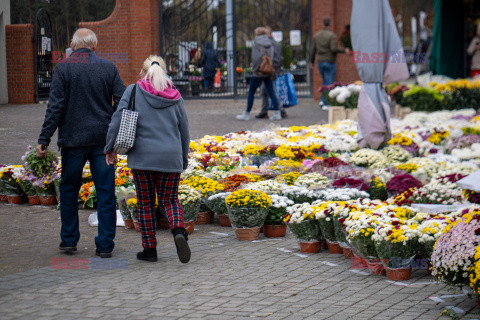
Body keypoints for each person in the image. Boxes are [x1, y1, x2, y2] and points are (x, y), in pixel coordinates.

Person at [36, 28, 126, 258]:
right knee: (106, 193)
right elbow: (123, 100)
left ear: (73, 46)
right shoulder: (108, 67)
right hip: (102, 141)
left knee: (68, 191)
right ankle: (105, 245)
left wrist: (44, 138)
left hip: (73, 141)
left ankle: (69, 240)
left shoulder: (63, 68)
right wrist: (110, 122)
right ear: (95, 45)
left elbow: (54, 107)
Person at [104, 55, 191, 264]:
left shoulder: (133, 91)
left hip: (142, 159)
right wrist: (183, 158)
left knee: (145, 203)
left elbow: (117, 119)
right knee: (170, 200)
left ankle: (150, 249)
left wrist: (109, 148)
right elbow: (184, 130)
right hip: (170, 158)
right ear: (165, 72)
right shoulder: (175, 96)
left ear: (143, 72)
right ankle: (178, 231)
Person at [236, 27, 281, 121]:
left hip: (258, 72)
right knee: (271, 92)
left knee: (251, 92)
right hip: (267, 72)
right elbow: (273, 57)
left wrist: (256, 70)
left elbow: (256, 58)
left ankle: (247, 113)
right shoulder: (270, 43)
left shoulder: (256, 43)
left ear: (257, 34)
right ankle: (277, 113)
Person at [310, 18, 350, 109]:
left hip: (320, 62)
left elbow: (313, 50)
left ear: (323, 24)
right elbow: (334, 49)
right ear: (330, 24)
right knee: (329, 83)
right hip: (329, 61)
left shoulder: (317, 35)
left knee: (325, 81)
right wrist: (344, 50)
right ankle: (326, 103)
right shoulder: (332, 36)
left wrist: (312, 62)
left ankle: (322, 100)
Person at [256, 26, 287, 120]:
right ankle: (264, 111)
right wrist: (278, 70)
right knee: (264, 91)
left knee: (269, 91)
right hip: (273, 70)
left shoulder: (268, 44)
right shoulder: (276, 44)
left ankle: (281, 111)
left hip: (268, 71)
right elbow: (280, 59)